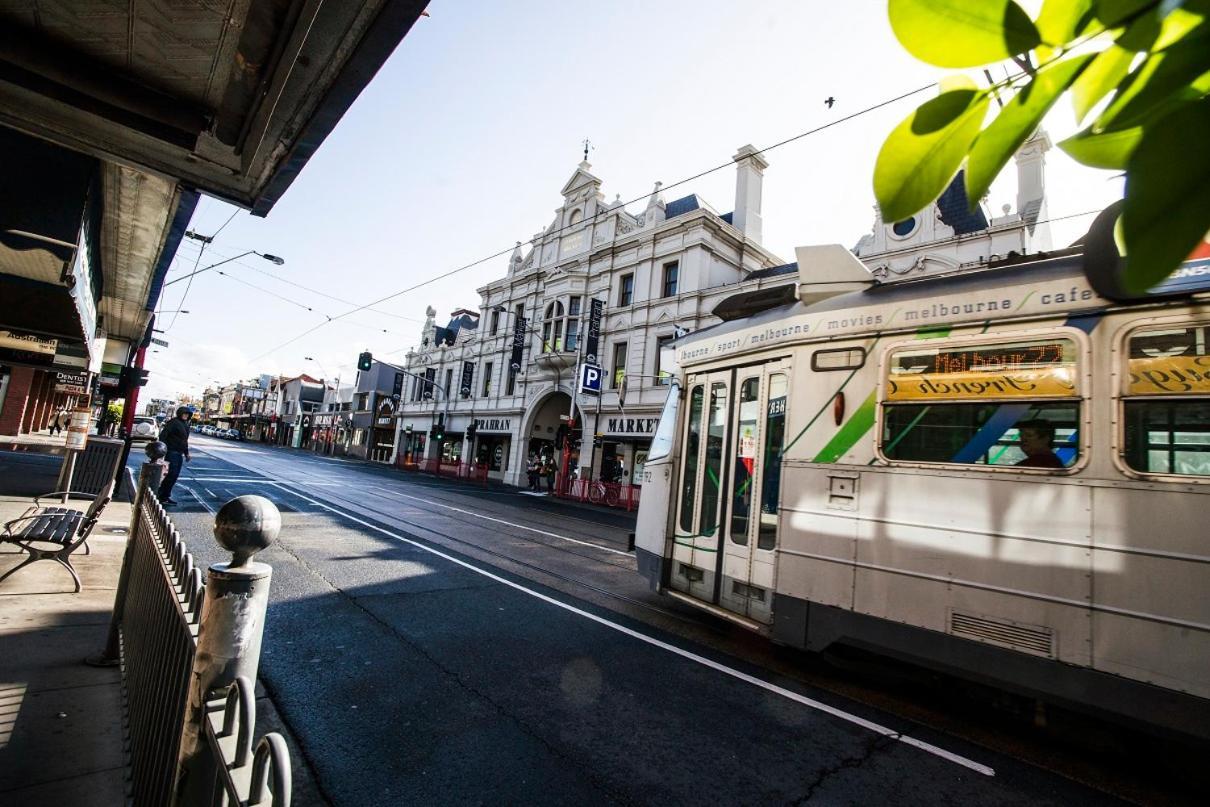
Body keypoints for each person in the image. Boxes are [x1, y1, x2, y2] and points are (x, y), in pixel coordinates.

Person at [157, 406, 193, 504]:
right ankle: (162, 496)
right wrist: (163, 449)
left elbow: (184, 441)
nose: (186, 415)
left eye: (188, 414)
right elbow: (163, 436)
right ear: (180, 413)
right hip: (171, 452)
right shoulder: (173, 422)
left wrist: (186, 454)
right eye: (184, 413)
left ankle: (165, 495)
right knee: (170, 475)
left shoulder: (185, 425)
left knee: (174, 476)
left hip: (179, 454)